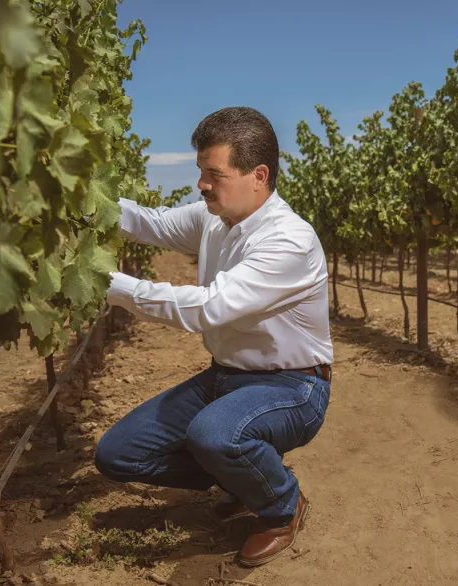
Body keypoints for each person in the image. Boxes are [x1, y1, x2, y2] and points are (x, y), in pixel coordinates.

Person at [94, 106, 333, 567]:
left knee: (212, 435)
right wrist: (78, 199)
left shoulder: (288, 241)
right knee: (116, 454)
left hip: (293, 386)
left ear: (258, 175)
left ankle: (282, 505)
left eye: (213, 173)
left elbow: (207, 308)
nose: (202, 184)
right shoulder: (213, 219)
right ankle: (243, 478)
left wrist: (110, 284)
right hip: (224, 378)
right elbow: (151, 223)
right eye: (200, 171)